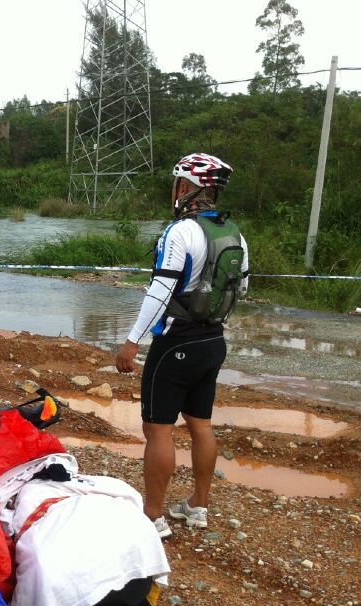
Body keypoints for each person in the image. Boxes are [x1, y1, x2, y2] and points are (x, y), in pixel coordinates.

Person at [114, 153, 249, 538]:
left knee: (158, 429)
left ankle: (153, 516)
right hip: (213, 342)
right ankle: (198, 506)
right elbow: (241, 288)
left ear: (185, 187)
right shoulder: (235, 234)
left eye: (176, 184)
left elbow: (160, 290)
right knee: (200, 425)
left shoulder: (179, 232)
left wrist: (132, 341)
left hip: (175, 345)